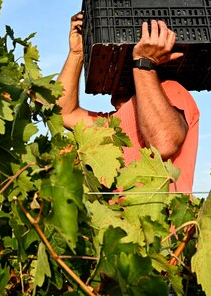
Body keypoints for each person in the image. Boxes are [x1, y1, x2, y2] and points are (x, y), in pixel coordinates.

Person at [57, 12, 199, 192]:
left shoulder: (170, 90)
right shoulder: (112, 126)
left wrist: (144, 63)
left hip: (164, 220)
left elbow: (164, 142)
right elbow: (63, 114)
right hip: (117, 220)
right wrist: (77, 53)